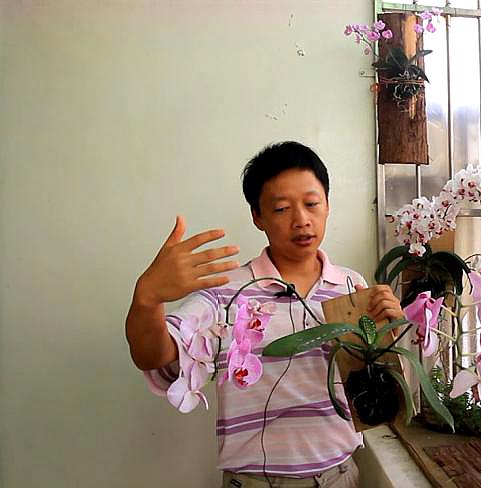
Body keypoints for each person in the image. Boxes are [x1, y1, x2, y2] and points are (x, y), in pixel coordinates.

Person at [125, 141, 404, 487]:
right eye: (282, 209)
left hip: (339, 476)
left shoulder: (352, 286)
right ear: (257, 216)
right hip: (258, 481)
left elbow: (377, 383)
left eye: (312, 204)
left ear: (328, 205)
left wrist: (395, 328)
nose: (301, 220)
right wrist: (147, 300)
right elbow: (156, 354)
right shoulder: (227, 292)